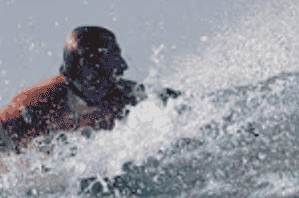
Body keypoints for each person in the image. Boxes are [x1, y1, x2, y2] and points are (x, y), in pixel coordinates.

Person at [0, 26, 179, 153]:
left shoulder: (123, 94)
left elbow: (180, 104)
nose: (124, 66)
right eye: (114, 58)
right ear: (88, 66)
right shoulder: (37, 105)